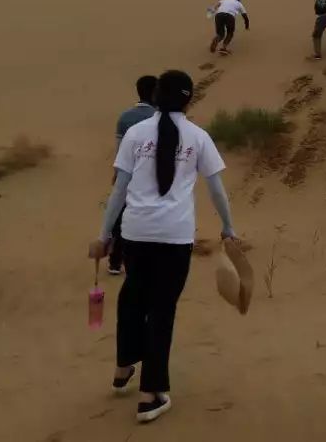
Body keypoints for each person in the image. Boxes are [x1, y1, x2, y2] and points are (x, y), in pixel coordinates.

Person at [89, 70, 237, 425]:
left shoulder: (136, 133)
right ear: (189, 99)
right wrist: (228, 227)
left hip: (135, 232)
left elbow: (119, 189)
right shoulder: (198, 136)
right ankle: (150, 394)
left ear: (155, 96)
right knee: (161, 311)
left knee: (132, 297)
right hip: (174, 236)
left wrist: (104, 235)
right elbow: (216, 189)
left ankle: (124, 365)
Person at [109, 75, 159, 275]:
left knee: (121, 215)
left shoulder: (125, 117)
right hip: (150, 177)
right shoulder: (159, 119)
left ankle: (115, 261)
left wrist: (117, 173)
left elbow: (119, 150)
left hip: (127, 174)